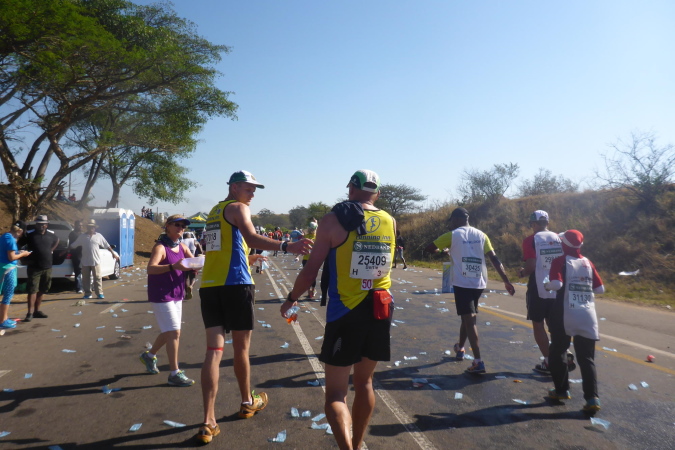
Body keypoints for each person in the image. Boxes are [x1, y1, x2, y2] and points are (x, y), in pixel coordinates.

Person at [196, 170, 312, 445]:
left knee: (213, 352)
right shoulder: (238, 208)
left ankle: (208, 421)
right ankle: (247, 401)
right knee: (241, 350)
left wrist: (248, 258)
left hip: (210, 286)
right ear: (235, 187)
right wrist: (288, 245)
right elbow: (251, 237)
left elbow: (221, 249)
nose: (253, 194)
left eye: (254, 190)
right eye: (249, 189)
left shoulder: (214, 212)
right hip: (236, 285)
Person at [282, 169, 395, 450]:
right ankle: (357, 444)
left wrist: (291, 298)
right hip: (381, 306)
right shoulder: (390, 220)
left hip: (346, 309)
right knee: (365, 382)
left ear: (350, 189)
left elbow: (311, 270)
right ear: (378, 194)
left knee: (335, 394)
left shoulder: (332, 220)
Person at [424, 207, 515, 374]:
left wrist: (443, 250)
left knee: (470, 319)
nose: (451, 224)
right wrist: (506, 281)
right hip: (479, 283)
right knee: (466, 317)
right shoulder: (482, 235)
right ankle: (460, 348)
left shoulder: (452, 235)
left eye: (451, 221)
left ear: (456, 219)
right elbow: (494, 258)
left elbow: (429, 248)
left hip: (462, 283)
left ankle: (478, 361)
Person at [545, 230, 605, 413]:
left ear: (564, 244)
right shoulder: (587, 262)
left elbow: (557, 285)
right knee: (586, 358)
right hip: (587, 314)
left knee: (558, 351)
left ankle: (561, 391)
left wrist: (547, 285)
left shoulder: (560, 261)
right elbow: (600, 289)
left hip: (564, 314)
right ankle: (592, 399)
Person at [139, 215, 197, 387]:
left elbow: (194, 262)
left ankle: (149, 356)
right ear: (168, 226)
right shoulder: (160, 247)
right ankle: (174, 373)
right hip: (162, 294)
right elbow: (150, 268)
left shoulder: (182, 246)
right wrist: (173, 266)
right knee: (174, 333)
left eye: (183, 226)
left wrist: (200, 263)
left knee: (169, 331)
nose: (180, 228)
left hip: (177, 293)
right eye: (177, 225)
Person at [518, 210, 566, 374]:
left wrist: (522, 273)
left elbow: (531, 266)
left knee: (538, 324)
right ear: (547, 223)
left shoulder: (531, 240)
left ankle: (548, 361)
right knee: (554, 324)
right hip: (558, 285)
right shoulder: (559, 238)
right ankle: (563, 355)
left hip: (539, 286)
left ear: (533, 224)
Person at [21, 215, 59, 322]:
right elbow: (19, 246)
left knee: (42, 289)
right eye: (38, 224)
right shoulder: (30, 235)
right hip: (34, 267)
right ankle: (29, 313)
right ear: (36, 224)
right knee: (32, 290)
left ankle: (37, 311)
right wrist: (23, 259)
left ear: (46, 225)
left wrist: (51, 250)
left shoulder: (51, 235)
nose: (41, 226)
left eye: (43, 224)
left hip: (47, 267)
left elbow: (57, 240)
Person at [70, 219, 119, 300]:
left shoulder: (99, 236)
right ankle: (87, 293)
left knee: (98, 278)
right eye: (89, 227)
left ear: (95, 228)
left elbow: (107, 245)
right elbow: (73, 245)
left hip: (96, 261)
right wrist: (64, 251)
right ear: (87, 227)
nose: (91, 228)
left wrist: (113, 253)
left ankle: (99, 293)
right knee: (86, 279)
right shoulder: (82, 236)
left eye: (92, 227)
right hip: (85, 261)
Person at [0, 221, 31, 328]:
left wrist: (18, 252)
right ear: (20, 231)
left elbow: (8, 253)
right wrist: (23, 254)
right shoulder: (11, 239)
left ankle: (4, 318)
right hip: (8, 269)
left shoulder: (5, 236)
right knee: (8, 294)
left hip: (4, 267)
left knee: (7, 293)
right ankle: (2, 321)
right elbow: (11, 257)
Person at [182, 231, 202, 300]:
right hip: (193, 260)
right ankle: (191, 286)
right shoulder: (195, 241)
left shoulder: (181, 241)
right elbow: (201, 251)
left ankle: (187, 293)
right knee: (193, 276)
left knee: (185, 278)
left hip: (184, 261)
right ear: (190, 236)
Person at [300, 221, 318, 299]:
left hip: (310, 259)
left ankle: (311, 291)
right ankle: (311, 291)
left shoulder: (308, 236)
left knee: (309, 276)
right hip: (310, 259)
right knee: (310, 276)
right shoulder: (315, 236)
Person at [68, 220, 84, 294]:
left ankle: (86, 287)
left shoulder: (82, 234)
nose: (80, 227)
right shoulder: (72, 234)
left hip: (83, 255)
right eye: (79, 225)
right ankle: (79, 288)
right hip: (76, 255)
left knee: (85, 272)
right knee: (78, 272)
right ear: (75, 226)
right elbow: (75, 244)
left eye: (81, 225)